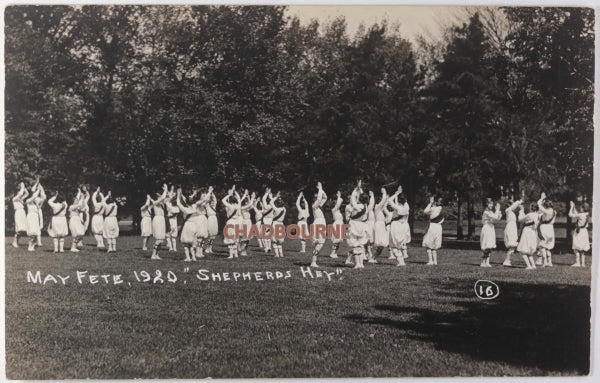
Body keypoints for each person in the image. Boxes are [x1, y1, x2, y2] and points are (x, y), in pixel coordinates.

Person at [347, 181, 369, 269]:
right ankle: (361, 264)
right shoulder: (365, 206)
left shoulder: (358, 206)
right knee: (360, 244)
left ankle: (357, 264)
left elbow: (352, 200)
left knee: (355, 244)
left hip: (354, 225)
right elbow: (364, 197)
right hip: (361, 225)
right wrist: (360, 189)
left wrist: (355, 190)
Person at [388, 187, 411, 266]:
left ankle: (400, 261)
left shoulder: (397, 208)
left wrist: (396, 193)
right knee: (399, 245)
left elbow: (389, 200)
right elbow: (402, 202)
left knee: (393, 245)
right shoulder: (407, 207)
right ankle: (402, 261)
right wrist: (400, 195)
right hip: (403, 226)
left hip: (396, 226)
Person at [176, 188, 201, 261]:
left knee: (185, 242)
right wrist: (184, 195)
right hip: (195, 225)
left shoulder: (185, 209)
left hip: (188, 225)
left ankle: (188, 257)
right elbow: (189, 200)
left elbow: (178, 203)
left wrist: (178, 195)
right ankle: (193, 257)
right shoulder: (194, 207)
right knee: (193, 242)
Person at [516, 202, 540, 269]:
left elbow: (520, 219)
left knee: (523, 250)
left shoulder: (530, 214)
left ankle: (528, 266)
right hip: (533, 232)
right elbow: (526, 219)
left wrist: (521, 211)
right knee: (529, 251)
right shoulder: (538, 215)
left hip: (527, 232)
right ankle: (533, 265)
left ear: (531, 208)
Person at [480, 198, 502, 267]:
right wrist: (497, 210)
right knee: (487, 245)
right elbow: (495, 217)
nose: (491, 205)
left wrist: (499, 213)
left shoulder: (490, 212)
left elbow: (496, 219)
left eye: (492, 204)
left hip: (491, 228)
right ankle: (483, 262)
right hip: (487, 228)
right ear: (487, 204)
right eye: (490, 204)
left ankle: (487, 262)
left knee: (490, 245)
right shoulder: (486, 212)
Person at [310, 182, 328, 267]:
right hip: (318, 224)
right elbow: (320, 198)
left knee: (320, 244)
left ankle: (314, 261)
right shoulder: (314, 206)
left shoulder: (319, 206)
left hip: (321, 224)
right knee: (319, 243)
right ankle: (313, 262)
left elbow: (324, 197)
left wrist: (321, 189)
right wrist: (320, 188)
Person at [222, 186, 243, 259]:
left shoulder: (229, 206)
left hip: (230, 222)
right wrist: (235, 191)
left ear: (230, 201)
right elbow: (239, 198)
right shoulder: (238, 206)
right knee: (235, 238)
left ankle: (231, 254)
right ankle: (236, 254)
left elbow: (223, 200)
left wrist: (229, 194)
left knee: (230, 238)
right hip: (236, 222)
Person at [422, 196, 444, 265]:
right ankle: (435, 261)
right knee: (435, 243)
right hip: (439, 227)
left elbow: (425, 211)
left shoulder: (433, 209)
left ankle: (430, 261)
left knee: (428, 242)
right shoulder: (441, 209)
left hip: (432, 226)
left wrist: (430, 203)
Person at [536, 193, 556, 267]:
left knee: (542, 246)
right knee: (548, 246)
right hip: (551, 228)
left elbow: (538, 204)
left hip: (544, 228)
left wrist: (542, 198)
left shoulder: (546, 211)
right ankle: (550, 262)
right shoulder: (554, 212)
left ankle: (544, 262)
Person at [569, 200, 591, 267]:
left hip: (579, 232)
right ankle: (583, 263)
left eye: (581, 208)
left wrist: (571, 207)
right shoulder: (586, 214)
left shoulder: (581, 215)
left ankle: (577, 262)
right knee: (582, 248)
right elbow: (577, 214)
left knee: (576, 246)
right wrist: (574, 207)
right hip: (584, 232)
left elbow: (570, 215)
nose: (580, 209)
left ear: (583, 208)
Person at [150, 184, 169, 260]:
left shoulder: (161, 203)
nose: (160, 196)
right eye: (159, 195)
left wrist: (167, 191)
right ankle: (153, 254)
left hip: (161, 219)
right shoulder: (156, 202)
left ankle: (157, 254)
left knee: (161, 239)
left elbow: (167, 197)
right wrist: (166, 189)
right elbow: (163, 197)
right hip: (157, 219)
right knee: (158, 238)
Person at [502, 199, 522, 266]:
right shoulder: (508, 210)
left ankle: (508, 260)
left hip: (513, 228)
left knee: (513, 246)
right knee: (512, 245)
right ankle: (507, 260)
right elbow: (514, 206)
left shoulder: (512, 212)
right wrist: (519, 201)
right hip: (510, 228)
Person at [373, 188, 389, 259]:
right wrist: (384, 193)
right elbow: (383, 202)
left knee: (382, 244)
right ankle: (372, 257)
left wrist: (387, 198)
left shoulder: (380, 209)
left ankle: (373, 257)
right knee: (380, 243)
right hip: (379, 226)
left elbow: (384, 204)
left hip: (381, 226)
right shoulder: (377, 207)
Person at [25, 183, 42, 252]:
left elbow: (43, 197)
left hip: (35, 217)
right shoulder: (28, 201)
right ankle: (30, 246)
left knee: (35, 232)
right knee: (32, 232)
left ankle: (33, 245)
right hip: (30, 217)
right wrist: (38, 190)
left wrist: (40, 188)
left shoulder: (36, 204)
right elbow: (34, 197)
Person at [238, 190, 256, 256]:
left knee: (248, 237)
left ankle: (244, 250)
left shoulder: (247, 208)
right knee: (244, 237)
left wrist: (248, 197)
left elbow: (252, 205)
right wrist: (252, 197)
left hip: (249, 222)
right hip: (244, 222)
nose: (246, 203)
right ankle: (242, 250)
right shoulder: (241, 208)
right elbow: (250, 204)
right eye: (245, 202)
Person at [12, 182, 29, 248]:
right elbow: (21, 193)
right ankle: (14, 242)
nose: (20, 193)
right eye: (18, 192)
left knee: (23, 229)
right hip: (18, 213)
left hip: (22, 213)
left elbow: (27, 194)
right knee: (19, 228)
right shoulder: (14, 199)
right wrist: (22, 187)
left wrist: (24, 188)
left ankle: (16, 242)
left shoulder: (21, 199)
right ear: (17, 193)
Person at [271, 192, 287, 258]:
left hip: (275, 224)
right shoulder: (284, 209)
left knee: (274, 240)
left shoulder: (276, 209)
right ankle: (281, 254)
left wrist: (276, 197)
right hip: (281, 224)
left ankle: (277, 254)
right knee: (280, 240)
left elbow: (271, 202)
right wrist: (279, 198)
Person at [329, 191, 344, 258]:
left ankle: (335, 253)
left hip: (339, 224)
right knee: (336, 240)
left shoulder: (337, 210)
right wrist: (339, 196)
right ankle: (332, 253)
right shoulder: (334, 209)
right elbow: (338, 204)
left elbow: (338, 204)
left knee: (338, 241)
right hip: (337, 225)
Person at [165, 187, 180, 252]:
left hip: (170, 220)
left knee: (168, 234)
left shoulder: (169, 206)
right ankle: (174, 248)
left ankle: (171, 247)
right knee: (173, 234)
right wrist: (172, 192)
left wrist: (170, 191)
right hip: (174, 220)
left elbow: (167, 200)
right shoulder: (177, 207)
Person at [261, 188, 275, 253]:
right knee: (269, 235)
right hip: (270, 220)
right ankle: (269, 247)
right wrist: (270, 195)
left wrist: (267, 193)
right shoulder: (272, 206)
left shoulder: (265, 206)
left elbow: (263, 199)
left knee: (265, 235)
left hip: (266, 220)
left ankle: (266, 248)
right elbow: (272, 200)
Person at [365, 190, 376, 263]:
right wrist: (372, 196)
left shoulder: (369, 209)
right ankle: (369, 253)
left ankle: (367, 253)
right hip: (369, 225)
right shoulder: (368, 208)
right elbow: (372, 203)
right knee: (369, 241)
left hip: (371, 225)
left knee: (370, 241)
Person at [206, 190, 219, 254]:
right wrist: (209, 192)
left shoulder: (214, 206)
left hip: (214, 219)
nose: (213, 203)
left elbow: (215, 199)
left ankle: (210, 247)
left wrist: (212, 193)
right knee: (209, 234)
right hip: (210, 219)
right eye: (212, 202)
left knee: (213, 235)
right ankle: (207, 247)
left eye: (213, 203)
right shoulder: (207, 206)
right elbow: (206, 200)